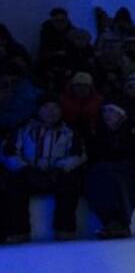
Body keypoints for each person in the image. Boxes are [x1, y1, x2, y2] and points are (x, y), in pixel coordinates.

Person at [1, 96, 86, 242]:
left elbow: (79, 154)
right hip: (29, 175)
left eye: (55, 108)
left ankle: (65, 231)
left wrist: (60, 169)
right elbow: (8, 153)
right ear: (39, 110)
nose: (51, 111)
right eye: (46, 107)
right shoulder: (23, 129)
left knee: (71, 185)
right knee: (13, 186)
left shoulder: (69, 131)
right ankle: (18, 232)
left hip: (57, 176)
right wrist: (25, 170)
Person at [85, 103, 135, 238]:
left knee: (121, 183)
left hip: (130, 171)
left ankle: (118, 223)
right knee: (101, 182)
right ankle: (113, 223)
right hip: (103, 171)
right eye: (105, 111)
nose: (107, 114)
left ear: (121, 114)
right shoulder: (96, 131)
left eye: (111, 111)